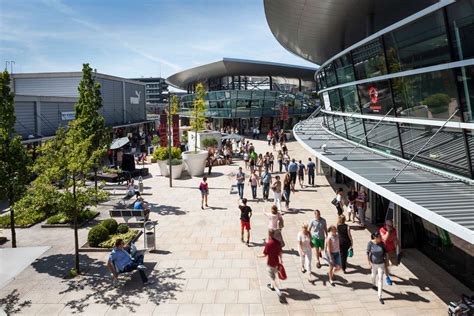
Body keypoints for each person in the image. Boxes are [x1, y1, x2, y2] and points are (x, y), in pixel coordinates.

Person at [259, 229, 284, 302]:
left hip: (270, 264)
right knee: (273, 276)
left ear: (269, 234)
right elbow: (280, 252)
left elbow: (264, 254)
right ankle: (272, 286)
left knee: (273, 279)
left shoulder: (268, 244)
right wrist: (281, 260)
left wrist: (258, 256)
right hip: (276, 263)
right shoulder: (278, 243)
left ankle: (279, 293)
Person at [367, 232, 387, 304]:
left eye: (381, 237)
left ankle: (380, 296)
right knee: (373, 275)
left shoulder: (382, 244)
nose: (381, 238)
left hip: (381, 263)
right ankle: (373, 284)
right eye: (379, 237)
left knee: (380, 279)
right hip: (373, 263)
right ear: (375, 238)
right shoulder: (370, 243)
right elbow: (367, 253)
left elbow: (385, 252)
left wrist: (387, 261)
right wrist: (369, 262)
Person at [379, 219, 400, 286]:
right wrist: (388, 231)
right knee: (386, 265)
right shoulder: (382, 230)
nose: (391, 227)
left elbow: (395, 239)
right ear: (386, 225)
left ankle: (385, 269)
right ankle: (387, 277)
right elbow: (385, 238)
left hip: (392, 250)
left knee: (395, 263)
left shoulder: (394, 230)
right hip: (385, 250)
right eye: (389, 225)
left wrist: (398, 247)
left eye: (391, 225)